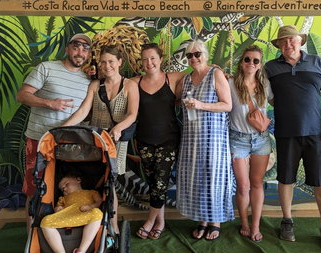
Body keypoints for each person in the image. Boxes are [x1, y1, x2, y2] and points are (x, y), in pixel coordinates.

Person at [265, 25, 321, 251]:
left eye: (292, 39)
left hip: (317, 133)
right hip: (286, 134)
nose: (288, 44)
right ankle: (287, 221)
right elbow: (266, 95)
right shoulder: (270, 67)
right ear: (279, 45)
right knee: (285, 179)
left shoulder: (317, 63)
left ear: (300, 40)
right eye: (283, 41)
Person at [16, 33, 92, 233]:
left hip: (70, 147)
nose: (80, 52)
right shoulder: (46, 68)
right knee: (35, 191)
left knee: (64, 191)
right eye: (76, 47)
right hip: (39, 142)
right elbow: (22, 95)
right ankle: (32, 236)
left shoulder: (88, 79)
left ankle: (60, 234)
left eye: (85, 49)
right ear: (67, 49)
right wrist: (49, 103)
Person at [63, 45, 140, 235]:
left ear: (120, 62)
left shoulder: (130, 85)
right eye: (103, 62)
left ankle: (112, 226)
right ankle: (89, 221)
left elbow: (132, 114)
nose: (107, 66)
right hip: (95, 140)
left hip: (116, 141)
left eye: (111, 61)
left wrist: (118, 128)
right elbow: (82, 111)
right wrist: (63, 129)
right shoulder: (95, 85)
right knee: (95, 178)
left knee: (110, 182)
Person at [175, 39, 233, 241]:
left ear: (206, 55)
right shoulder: (186, 79)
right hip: (192, 139)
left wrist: (201, 105)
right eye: (189, 55)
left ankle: (215, 221)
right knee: (198, 179)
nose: (193, 58)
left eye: (197, 54)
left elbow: (227, 105)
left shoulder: (215, 74)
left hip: (214, 139)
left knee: (214, 179)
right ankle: (202, 220)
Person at [131, 43, 185, 240]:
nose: (149, 63)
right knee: (154, 183)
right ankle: (161, 220)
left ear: (161, 59)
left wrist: (217, 70)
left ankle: (150, 220)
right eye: (144, 59)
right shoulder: (134, 82)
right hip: (144, 140)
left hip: (168, 140)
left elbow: (200, 73)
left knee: (160, 183)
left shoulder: (173, 77)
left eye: (152, 58)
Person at [228, 45, 274, 243]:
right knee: (243, 185)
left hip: (261, 139)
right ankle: (244, 223)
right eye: (247, 59)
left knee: (256, 183)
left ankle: (255, 226)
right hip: (238, 139)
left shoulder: (265, 85)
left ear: (260, 64)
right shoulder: (230, 83)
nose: (251, 63)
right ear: (241, 62)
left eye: (256, 60)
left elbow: (277, 102)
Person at [40, 171, 103, 253]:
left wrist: (91, 206)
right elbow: (57, 207)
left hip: (84, 215)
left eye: (66, 184)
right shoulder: (63, 198)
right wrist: (58, 209)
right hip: (67, 216)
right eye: (62, 189)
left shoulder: (91, 192)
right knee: (45, 221)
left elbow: (100, 202)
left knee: (97, 213)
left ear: (78, 180)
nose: (64, 188)